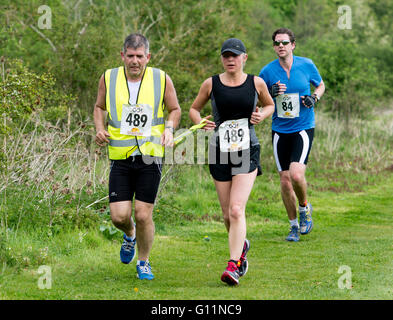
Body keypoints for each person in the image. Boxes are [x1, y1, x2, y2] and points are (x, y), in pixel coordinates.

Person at [94, 33, 181, 280]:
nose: (135, 61)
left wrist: (170, 129)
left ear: (148, 57)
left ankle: (143, 261)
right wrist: (99, 129)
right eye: (130, 56)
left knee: (144, 213)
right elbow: (99, 107)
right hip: (120, 155)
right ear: (122, 55)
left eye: (139, 56)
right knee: (118, 216)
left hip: (150, 155)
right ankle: (129, 234)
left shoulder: (161, 78)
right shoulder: (108, 77)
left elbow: (174, 109)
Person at [189, 38, 274, 285]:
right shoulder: (211, 83)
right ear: (222, 58)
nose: (230, 59)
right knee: (227, 215)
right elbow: (195, 109)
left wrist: (262, 114)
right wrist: (200, 122)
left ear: (244, 58)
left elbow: (269, 104)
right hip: (219, 151)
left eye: (235, 55)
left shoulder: (255, 82)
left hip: (247, 149)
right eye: (226, 55)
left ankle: (234, 265)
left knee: (237, 209)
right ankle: (242, 245)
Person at [259, 28, 325, 242]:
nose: (281, 46)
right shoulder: (267, 72)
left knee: (296, 175)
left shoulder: (306, 64)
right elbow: (260, 100)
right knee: (285, 181)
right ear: (274, 46)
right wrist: (271, 93)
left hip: (303, 127)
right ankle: (294, 226)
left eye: (285, 43)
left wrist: (314, 98)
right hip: (280, 130)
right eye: (277, 43)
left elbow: (321, 85)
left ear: (293, 45)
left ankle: (304, 208)